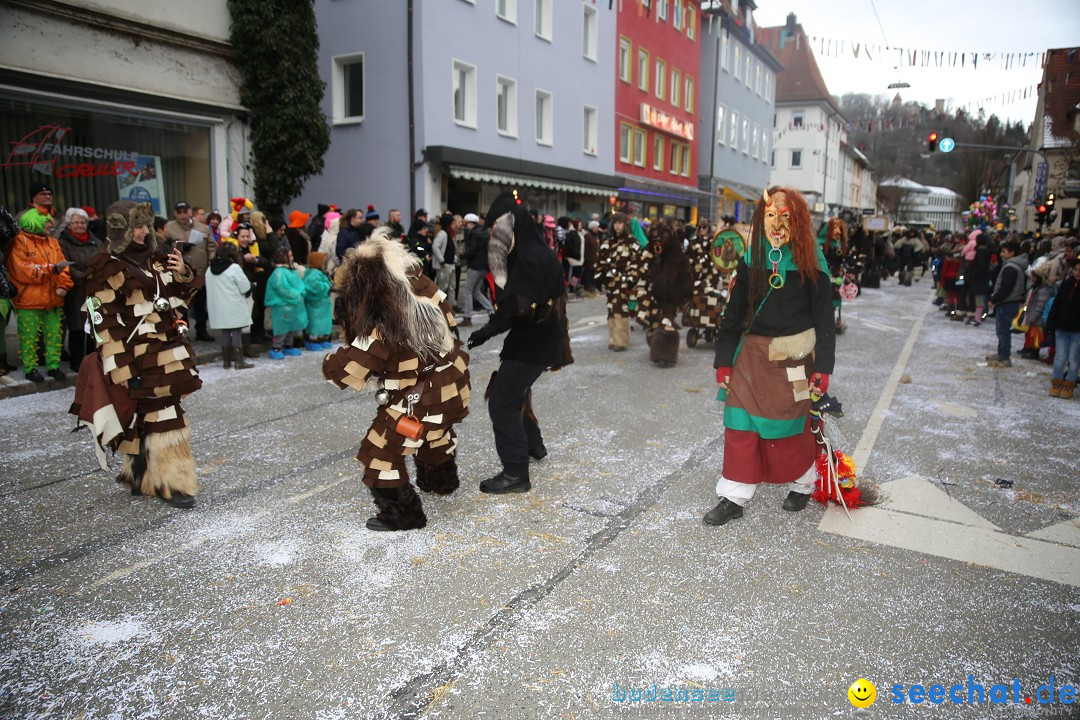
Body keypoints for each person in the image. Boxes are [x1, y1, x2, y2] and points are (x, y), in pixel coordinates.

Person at [322, 228, 470, 531]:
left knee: (381, 451)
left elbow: (352, 369)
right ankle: (440, 480)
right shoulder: (425, 286)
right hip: (453, 382)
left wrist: (330, 364)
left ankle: (403, 514)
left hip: (415, 397)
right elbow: (452, 325)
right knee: (435, 432)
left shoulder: (382, 311)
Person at [704, 187, 835, 526]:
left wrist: (823, 368)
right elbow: (733, 314)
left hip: (793, 357)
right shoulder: (752, 259)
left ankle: (803, 483)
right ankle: (733, 495)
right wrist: (722, 361)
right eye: (771, 216)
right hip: (750, 357)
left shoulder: (813, 262)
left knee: (790, 427)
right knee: (739, 425)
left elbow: (824, 320)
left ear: (798, 220)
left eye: (785, 216)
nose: (777, 224)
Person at [70, 201, 202, 508]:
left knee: (151, 412)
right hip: (134, 353)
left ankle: (140, 474)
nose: (145, 232)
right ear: (122, 230)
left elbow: (181, 297)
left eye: (146, 225)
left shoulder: (157, 259)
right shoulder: (104, 265)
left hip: (167, 348)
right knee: (161, 413)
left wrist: (182, 272)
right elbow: (103, 323)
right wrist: (122, 368)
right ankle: (170, 481)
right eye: (138, 227)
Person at [466, 192, 573, 494]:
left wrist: (486, 332)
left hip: (534, 341)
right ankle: (534, 446)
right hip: (537, 337)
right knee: (514, 390)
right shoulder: (534, 249)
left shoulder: (528, 257)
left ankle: (515, 473)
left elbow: (516, 308)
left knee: (502, 403)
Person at [6, 209, 73, 382]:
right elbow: (23, 271)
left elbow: (63, 267)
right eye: (46, 223)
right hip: (28, 301)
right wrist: (50, 269)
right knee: (29, 338)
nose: (51, 226)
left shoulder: (53, 242)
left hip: (53, 300)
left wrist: (63, 284)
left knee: (54, 335)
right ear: (34, 223)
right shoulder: (19, 242)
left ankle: (53, 366)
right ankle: (30, 369)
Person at [637, 219, 692, 367]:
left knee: (666, 321)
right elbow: (639, 272)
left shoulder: (677, 256)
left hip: (670, 296)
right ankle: (656, 345)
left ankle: (665, 353)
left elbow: (685, 277)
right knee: (654, 322)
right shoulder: (647, 254)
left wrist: (681, 297)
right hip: (650, 295)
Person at [57, 207, 104, 372]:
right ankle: (76, 362)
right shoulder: (62, 242)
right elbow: (64, 264)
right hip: (76, 290)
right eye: (75, 222)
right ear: (69, 225)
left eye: (83, 222)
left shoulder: (96, 241)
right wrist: (84, 278)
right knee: (77, 326)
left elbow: (103, 260)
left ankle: (93, 360)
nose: (79, 225)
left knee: (95, 324)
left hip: (95, 289)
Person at [165, 201, 216, 341]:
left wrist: (211, 259)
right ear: (175, 213)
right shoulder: (169, 228)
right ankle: (183, 331)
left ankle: (202, 330)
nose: (182, 215)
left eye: (184, 211)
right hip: (179, 274)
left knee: (200, 303)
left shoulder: (203, 228)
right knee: (182, 305)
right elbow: (162, 245)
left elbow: (212, 246)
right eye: (179, 212)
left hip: (199, 272)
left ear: (190, 213)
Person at [596, 212, 646, 351]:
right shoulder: (607, 242)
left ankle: (621, 341)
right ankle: (613, 339)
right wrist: (598, 278)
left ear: (625, 225)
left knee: (620, 309)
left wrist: (632, 279)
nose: (618, 226)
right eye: (615, 223)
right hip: (610, 282)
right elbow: (600, 262)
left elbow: (638, 263)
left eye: (620, 223)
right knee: (611, 309)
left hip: (624, 281)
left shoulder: (632, 242)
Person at [205, 241, 254, 370]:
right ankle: (239, 361)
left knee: (225, 331)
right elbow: (245, 287)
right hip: (233, 305)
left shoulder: (209, 269)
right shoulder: (234, 268)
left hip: (218, 307)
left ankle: (226, 361)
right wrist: (252, 286)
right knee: (236, 331)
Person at [986, 239, 1028, 368]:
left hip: (1008, 302)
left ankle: (1004, 356)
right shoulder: (1012, 265)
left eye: (1004, 252)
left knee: (1003, 330)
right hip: (1008, 301)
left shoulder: (1011, 267)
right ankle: (1001, 353)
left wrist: (994, 299)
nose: (1001, 254)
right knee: (1002, 330)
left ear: (1012, 252)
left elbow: (1006, 288)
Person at [263, 245, 307, 360]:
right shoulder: (279, 272)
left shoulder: (290, 270)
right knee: (281, 328)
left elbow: (299, 284)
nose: (292, 258)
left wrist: (300, 293)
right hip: (282, 305)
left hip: (292, 304)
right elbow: (282, 289)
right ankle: (276, 346)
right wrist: (297, 295)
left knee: (291, 327)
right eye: (290, 255)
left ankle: (288, 345)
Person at [1046, 258, 1080, 399]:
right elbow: (1056, 304)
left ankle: (1070, 384)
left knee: (1074, 359)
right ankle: (1056, 382)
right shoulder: (1066, 285)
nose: (1078, 273)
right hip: (1061, 327)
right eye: (1077, 269)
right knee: (1060, 357)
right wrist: (1050, 323)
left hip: (1077, 329)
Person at [461, 212, 493, 322]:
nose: (466, 226)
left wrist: (462, 256)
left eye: (466, 224)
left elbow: (472, 251)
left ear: (471, 223)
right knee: (477, 292)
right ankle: (491, 311)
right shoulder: (485, 232)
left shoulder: (475, 234)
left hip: (475, 266)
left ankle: (467, 316)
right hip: (484, 267)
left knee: (468, 291)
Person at [303, 251, 333, 351]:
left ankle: (320, 339)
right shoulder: (314, 273)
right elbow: (314, 286)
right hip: (315, 303)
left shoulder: (318, 272)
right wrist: (327, 286)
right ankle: (311, 341)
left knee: (321, 323)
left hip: (321, 303)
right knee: (314, 323)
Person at [432, 212, 459, 310]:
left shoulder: (449, 234)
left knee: (452, 286)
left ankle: (451, 306)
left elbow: (451, 249)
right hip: (445, 265)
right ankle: (434, 305)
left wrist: (454, 259)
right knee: (443, 287)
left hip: (451, 264)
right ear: (448, 224)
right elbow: (435, 246)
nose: (454, 225)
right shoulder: (443, 233)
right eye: (452, 223)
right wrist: (442, 261)